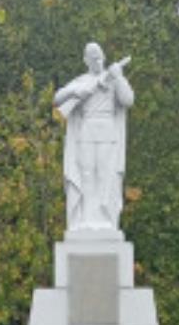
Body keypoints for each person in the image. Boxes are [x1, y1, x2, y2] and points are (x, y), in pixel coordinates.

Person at [53, 43, 134, 233]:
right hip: (86, 132)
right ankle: (86, 219)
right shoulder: (81, 81)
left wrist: (119, 77)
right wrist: (75, 91)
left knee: (105, 176)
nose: (98, 61)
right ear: (86, 60)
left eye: (99, 57)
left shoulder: (113, 79)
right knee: (86, 175)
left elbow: (128, 100)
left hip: (107, 133)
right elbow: (58, 98)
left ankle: (105, 218)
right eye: (93, 58)